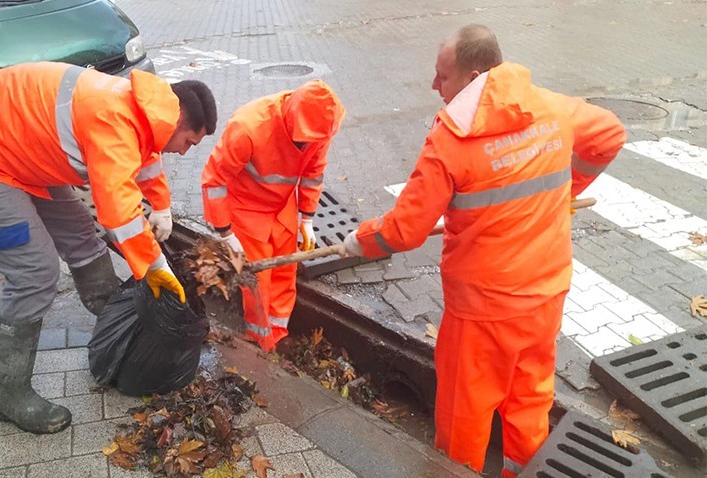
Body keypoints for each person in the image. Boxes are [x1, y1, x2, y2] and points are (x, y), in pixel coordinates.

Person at [339, 25, 625, 477]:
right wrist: (567, 188)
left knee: (464, 413)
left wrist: (361, 240)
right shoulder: (550, 106)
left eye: (442, 76)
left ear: (472, 77)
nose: (435, 86)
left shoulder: (452, 140)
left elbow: (407, 231)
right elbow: (609, 133)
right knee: (529, 401)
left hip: (483, 311)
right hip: (545, 296)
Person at [0, 62, 217, 434]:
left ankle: (122, 333)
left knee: (82, 237)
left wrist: (160, 206)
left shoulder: (144, 111)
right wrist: (154, 265)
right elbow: (118, 214)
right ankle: (9, 393)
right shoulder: (114, 120)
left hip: (23, 152)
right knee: (35, 271)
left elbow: (145, 161)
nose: (186, 152)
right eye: (189, 142)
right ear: (176, 123)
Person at [201, 80, 345, 351]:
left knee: (284, 273)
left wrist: (307, 217)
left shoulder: (318, 131)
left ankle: (276, 334)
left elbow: (314, 174)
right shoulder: (248, 126)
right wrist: (225, 232)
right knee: (257, 283)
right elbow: (215, 181)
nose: (309, 144)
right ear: (292, 120)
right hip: (246, 209)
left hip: (282, 208)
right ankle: (259, 342)